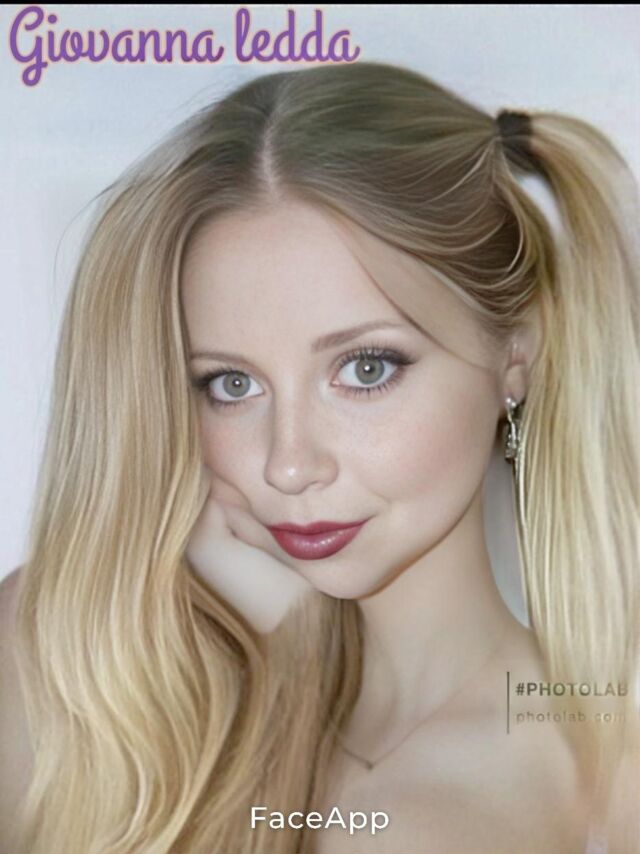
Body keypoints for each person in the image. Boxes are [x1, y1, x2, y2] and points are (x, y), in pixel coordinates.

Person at [1, 61, 638, 853]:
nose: (289, 465)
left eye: (365, 369)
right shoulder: (70, 661)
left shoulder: (607, 769)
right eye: (232, 384)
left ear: (516, 352)